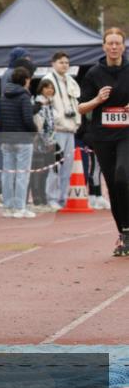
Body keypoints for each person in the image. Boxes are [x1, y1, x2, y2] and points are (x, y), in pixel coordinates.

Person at [78, 27, 129, 257]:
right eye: (110, 43)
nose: (114, 47)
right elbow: (80, 107)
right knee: (113, 185)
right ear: (104, 46)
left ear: (124, 46)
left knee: (122, 176)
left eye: (118, 43)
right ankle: (124, 233)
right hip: (102, 136)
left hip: (126, 134)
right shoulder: (93, 73)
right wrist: (97, 99)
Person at [41, 51, 82, 209]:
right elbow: (46, 104)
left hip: (70, 129)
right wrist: (56, 120)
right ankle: (51, 197)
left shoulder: (70, 80)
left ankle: (63, 198)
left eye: (66, 62)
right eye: (61, 62)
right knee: (54, 165)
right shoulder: (48, 80)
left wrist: (76, 122)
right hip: (56, 130)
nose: (64, 65)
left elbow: (76, 102)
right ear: (53, 64)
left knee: (67, 166)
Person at [0, 67, 38, 217]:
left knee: (7, 173)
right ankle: (20, 207)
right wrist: (34, 132)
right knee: (22, 174)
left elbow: (0, 119)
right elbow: (28, 119)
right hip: (23, 139)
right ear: (26, 80)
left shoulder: (3, 95)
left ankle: (8, 206)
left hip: (7, 138)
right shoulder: (24, 97)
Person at [31, 79, 57, 210]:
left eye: (52, 88)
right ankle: (37, 201)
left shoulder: (52, 104)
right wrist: (47, 142)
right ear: (41, 89)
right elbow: (40, 125)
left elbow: (53, 125)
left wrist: (52, 142)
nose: (50, 90)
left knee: (46, 172)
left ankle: (43, 199)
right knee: (38, 172)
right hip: (39, 145)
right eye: (47, 88)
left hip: (50, 143)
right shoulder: (37, 103)